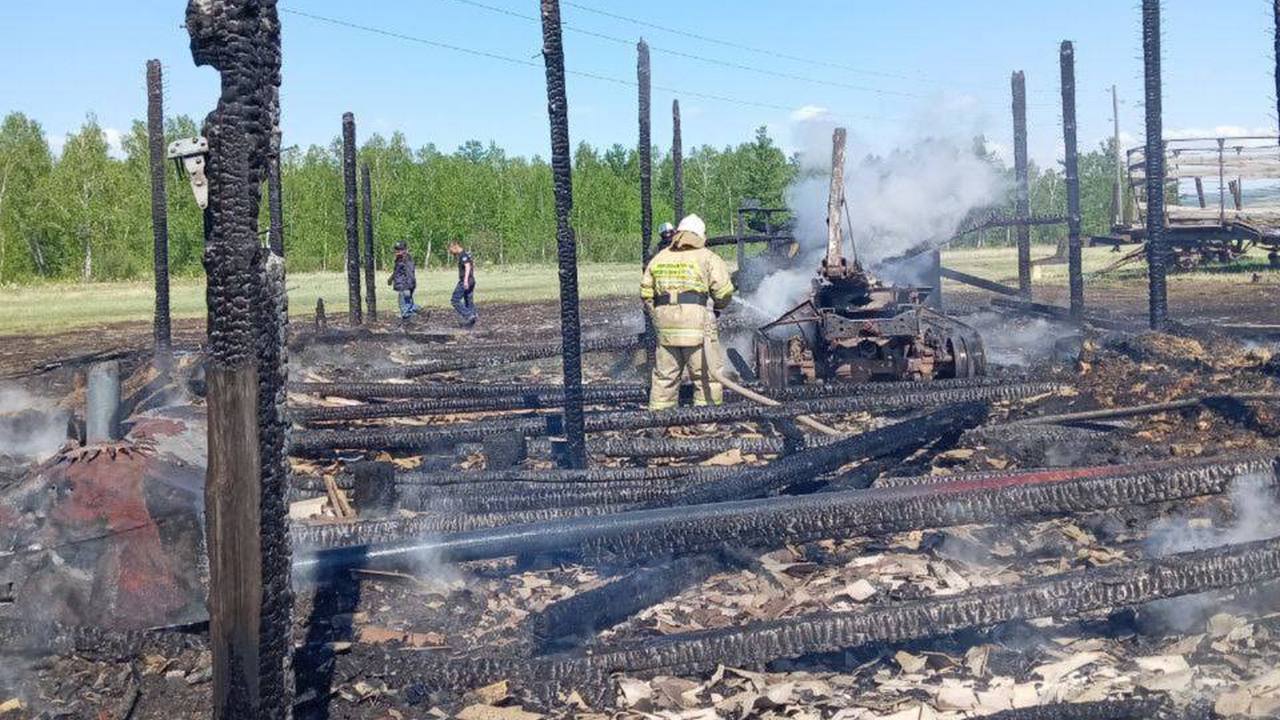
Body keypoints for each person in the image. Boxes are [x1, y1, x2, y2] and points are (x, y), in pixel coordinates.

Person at [640, 214, 734, 410]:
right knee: (706, 377)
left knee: (664, 378)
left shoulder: (660, 258)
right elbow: (724, 292)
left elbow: (646, 293)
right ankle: (706, 423)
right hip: (697, 329)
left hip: (666, 330)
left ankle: (660, 423)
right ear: (700, 235)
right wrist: (717, 308)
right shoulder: (708, 257)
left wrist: (657, 316)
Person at [387, 240, 419, 320]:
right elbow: (397, 272)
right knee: (408, 304)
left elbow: (410, 273)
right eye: (396, 249)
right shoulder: (400, 259)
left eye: (399, 250)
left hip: (405, 286)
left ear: (405, 250)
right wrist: (391, 279)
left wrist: (408, 286)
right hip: (405, 286)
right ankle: (413, 313)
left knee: (404, 307)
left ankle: (411, 315)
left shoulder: (406, 260)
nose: (397, 251)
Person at [449, 240, 477, 327]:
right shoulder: (466, 254)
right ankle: (472, 319)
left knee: (455, 300)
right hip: (471, 280)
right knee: (468, 300)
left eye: (451, 250)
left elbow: (468, 267)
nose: (450, 252)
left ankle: (469, 315)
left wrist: (465, 280)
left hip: (466, 281)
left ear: (455, 246)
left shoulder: (463, 255)